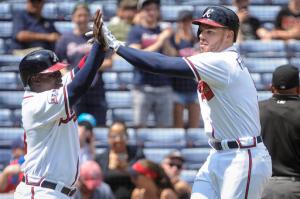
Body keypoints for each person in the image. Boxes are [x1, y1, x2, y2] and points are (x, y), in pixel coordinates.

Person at [96, 5, 272, 198]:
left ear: (229, 36)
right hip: (219, 154)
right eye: (201, 30)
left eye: (210, 31)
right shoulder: (215, 60)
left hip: (242, 156)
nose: (202, 36)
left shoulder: (222, 61)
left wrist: (117, 45)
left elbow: (159, 64)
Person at [14, 9, 107, 198]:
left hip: (55, 191)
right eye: (53, 73)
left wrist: (101, 45)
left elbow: (81, 70)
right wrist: (98, 46)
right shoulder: (35, 103)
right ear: (36, 80)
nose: (59, 76)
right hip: (40, 191)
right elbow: (78, 87)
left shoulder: (50, 88)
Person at [55, 3, 111, 126]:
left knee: (99, 125)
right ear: (73, 17)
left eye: (85, 15)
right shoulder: (65, 39)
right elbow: (59, 65)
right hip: (75, 88)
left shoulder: (98, 37)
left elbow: (108, 62)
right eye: (79, 15)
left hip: (96, 89)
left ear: (89, 17)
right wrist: (71, 76)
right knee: (75, 125)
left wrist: (87, 69)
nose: (82, 18)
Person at [127, 0, 176, 127]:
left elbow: (172, 56)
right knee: (139, 125)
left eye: (154, 9)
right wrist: (160, 40)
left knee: (165, 129)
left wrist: (165, 40)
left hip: (164, 86)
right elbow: (137, 56)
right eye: (148, 9)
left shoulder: (164, 31)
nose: (151, 12)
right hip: (142, 86)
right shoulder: (135, 31)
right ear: (141, 12)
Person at [259, 64, 300, 199]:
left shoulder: (256, 110)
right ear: (298, 89)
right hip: (295, 187)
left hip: (262, 187)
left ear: (272, 88)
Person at [95, 121, 144, 199]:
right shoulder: (100, 158)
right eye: (114, 136)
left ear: (127, 137)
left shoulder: (137, 155)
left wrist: (127, 170)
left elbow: (144, 178)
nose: (118, 140)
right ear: (108, 138)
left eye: (122, 136)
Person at [170, 10, 200, 128]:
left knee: (194, 126)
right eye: (183, 21)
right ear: (178, 22)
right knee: (178, 126)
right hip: (177, 87)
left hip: (194, 87)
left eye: (188, 20)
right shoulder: (174, 40)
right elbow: (170, 56)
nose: (185, 23)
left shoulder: (197, 40)